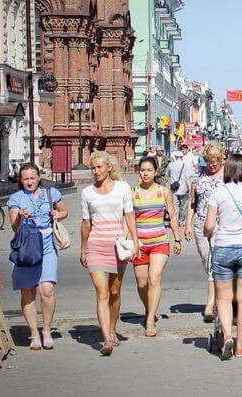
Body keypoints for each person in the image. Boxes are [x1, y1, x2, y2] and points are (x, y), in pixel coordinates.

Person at [204, 154, 242, 360]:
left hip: (223, 247)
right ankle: (240, 346)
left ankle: (227, 336)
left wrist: (207, 232)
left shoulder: (218, 192)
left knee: (223, 298)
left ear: (228, 169)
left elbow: (209, 225)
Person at [80, 151, 139, 355]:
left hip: (117, 246)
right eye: (93, 168)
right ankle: (106, 339)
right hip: (96, 245)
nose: (96, 171)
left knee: (115, 292)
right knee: (102, 292)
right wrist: (83, 250)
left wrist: (135, 242)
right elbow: (86, 224)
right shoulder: (87, 193)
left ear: (108, 167)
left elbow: (129, 216)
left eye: (99, 167)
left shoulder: (122, 187)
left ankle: (112, 329)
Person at [7, 163, 68, 350]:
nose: (29, 182)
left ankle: (46, 330)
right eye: (25, 178)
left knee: (47, 290)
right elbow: (14, 226)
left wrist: (58, 214)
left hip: (47, 245)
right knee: (28, 291)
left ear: (39, 177)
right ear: (20, 180)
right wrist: (20, 216)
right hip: (26, 247)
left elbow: (64, 211)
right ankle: (34, 333)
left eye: (32, 178)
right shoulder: (16, 198)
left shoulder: (51, 193)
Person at [131, 157, 182, 337]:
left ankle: (150, 319)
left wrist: (177, 239)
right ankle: (149, 308)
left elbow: (172, 216)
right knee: (141, 282)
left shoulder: (164, 191)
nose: (145, 173)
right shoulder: (133, 192)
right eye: (142, 170)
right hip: (139, 244)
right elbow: (128, 219)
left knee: (154, 279)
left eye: (149, 170)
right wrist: (129, 241)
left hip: (159, 241)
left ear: (155, 172)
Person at [185, 142, 225, 323]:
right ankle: (220, 296)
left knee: (213, 263)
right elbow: (192, 201)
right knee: (206, 260)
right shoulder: (199, 175)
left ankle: (210, 303)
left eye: (215, 161)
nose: (211, 164)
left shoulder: (228, 175)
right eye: (208, 160)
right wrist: (187, 224)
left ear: (221, 158)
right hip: (200, 223)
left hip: (220, 224)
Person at [166, 151, 191, 227]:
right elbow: (188, 178)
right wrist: (190, 189)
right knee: (183, 206)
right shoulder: (186, 165)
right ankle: (181, 221)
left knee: (175, 206)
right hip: (184, 188)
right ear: (182, 157)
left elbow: (167, 176)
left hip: (174, 189)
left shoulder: (170, 165)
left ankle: (175, 221)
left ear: (175, 157)